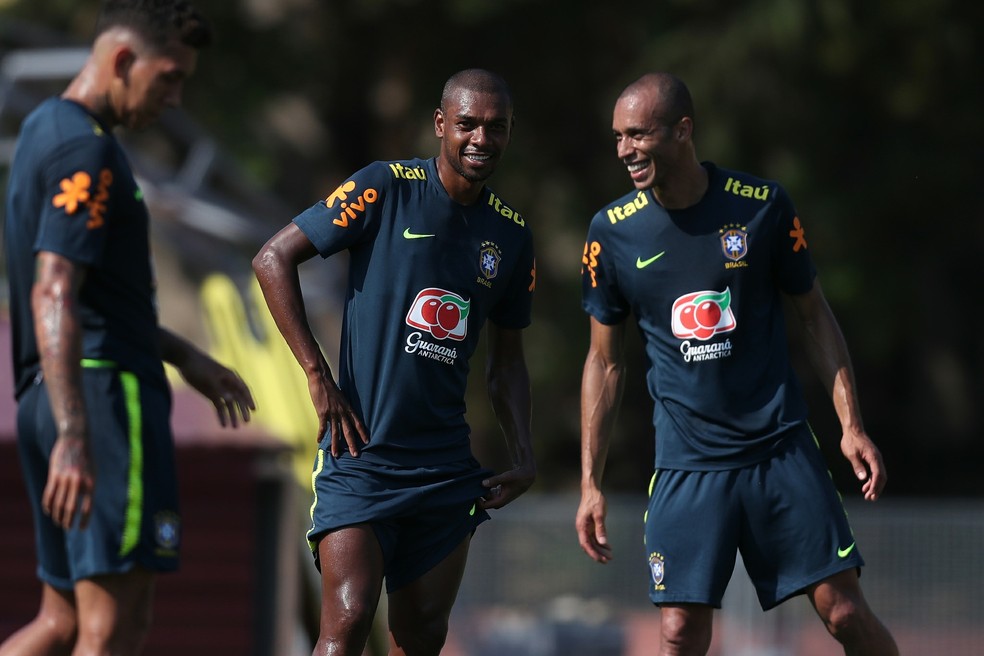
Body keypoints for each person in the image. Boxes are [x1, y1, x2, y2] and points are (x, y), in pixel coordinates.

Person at [575, 72, 898, 655]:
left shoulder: (762, 207)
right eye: (618, 137)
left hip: (779, 450)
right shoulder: (610, 233)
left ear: (683, 130)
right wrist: (590, 482)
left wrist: (850, 425)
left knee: (845, 612)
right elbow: (605, 362)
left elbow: (814, 316)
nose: (624, 150)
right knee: (678, 631)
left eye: (638, 135)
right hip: (687, 465)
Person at [252, 68, 536, 656]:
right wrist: (317, 373)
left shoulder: (510, 236)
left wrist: (525, 455)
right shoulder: (385, 187)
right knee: (349, 621)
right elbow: (273, 258)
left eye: (496, 127)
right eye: (467, 124)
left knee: (422, 636)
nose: (481, 138)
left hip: (444, 470)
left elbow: (506, 363)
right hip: (361, 456)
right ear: (440, 125)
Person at [1, 1, 255, 654]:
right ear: (122, 60)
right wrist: (76, 433)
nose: (174, 98)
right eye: (168, 78)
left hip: (53, 394)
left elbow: (89, 297)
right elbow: (55, 288)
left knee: (59, 623)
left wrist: (181, 353)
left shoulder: (42, 130)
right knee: (112, 627)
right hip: (100, 399)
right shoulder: (84, 151)